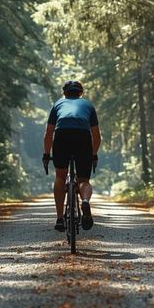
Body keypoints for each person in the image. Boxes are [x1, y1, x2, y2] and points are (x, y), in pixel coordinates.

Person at [42, 80, 100, 232]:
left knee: (60, 177)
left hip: (62, 136)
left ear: (64, 93)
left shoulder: (57, 105)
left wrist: (46, 154)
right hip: (83, 137)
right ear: (81, 93)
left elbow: (48, 134)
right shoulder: (88, 105)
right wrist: (93, 154)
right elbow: (96, 135)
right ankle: (85, 201)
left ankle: (60, 219)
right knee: (84, 180)